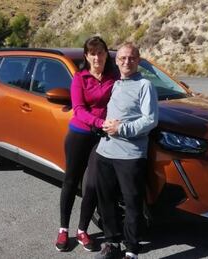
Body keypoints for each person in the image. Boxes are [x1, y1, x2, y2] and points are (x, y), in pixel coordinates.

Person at [94, 43, 159, 259]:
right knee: (106, 200)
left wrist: (121, 128)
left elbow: (150, 120)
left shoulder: (145, 86)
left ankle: (132, 248)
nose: (126, 62)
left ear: (138, 60)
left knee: (132, 204)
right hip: (105, 151)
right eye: (122, 58)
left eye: (131, 58)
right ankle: (112, 243)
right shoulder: (114, 84)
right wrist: (101, 123)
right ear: (116, 61)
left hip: (130, 155)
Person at [55, 36, 117, 252]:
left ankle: (82, 230)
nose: (97, 57)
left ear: (105, 55)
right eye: (93, 53)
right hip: (80, 134)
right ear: (87, 56)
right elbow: (79, 109)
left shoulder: (113, 77)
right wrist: (101, 122)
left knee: (91, 185)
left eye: (100, 52)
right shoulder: (80, 78)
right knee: (71, 181)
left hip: (102, 137)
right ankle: (63, 230)